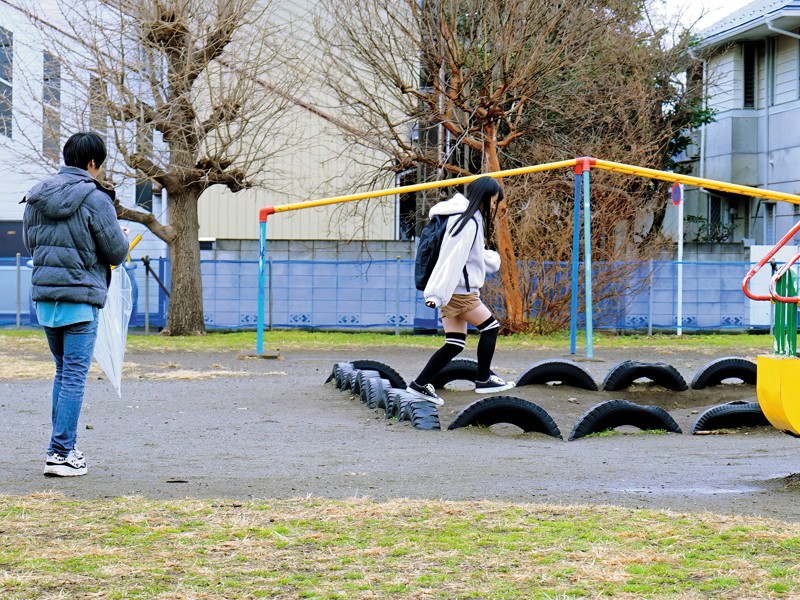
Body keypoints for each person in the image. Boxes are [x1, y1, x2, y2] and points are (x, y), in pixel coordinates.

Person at [23, 131, 130, 477]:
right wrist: (122, 238)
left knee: (62, 372)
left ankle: (62, 447)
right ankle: (60, 452)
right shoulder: (96, 198)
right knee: (73, 376)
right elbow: (115, 251)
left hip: (46, 298)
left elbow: (31, 244)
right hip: (81, 298)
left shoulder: (38, 194)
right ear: (93, 163)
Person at [406, 176, 515, 405]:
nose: (494, 207)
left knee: (454, 343)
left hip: (454, 290)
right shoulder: (468, 222)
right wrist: (436, 294)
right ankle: (483, 379)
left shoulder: (463, 218)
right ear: (484, 198)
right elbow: (452, 259)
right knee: (491, 328)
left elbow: (470, 255)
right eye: (494, 202)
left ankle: (419, 384)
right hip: (459, 292)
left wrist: (491, 260)